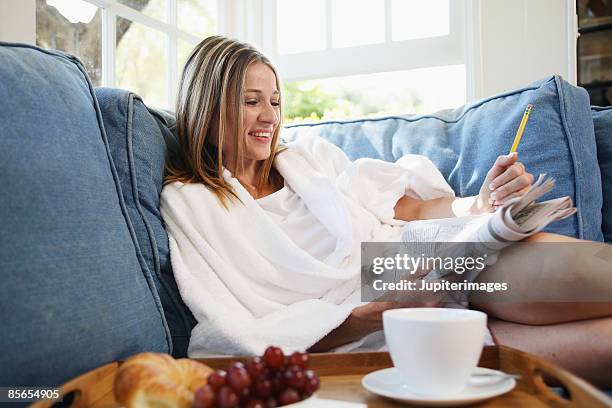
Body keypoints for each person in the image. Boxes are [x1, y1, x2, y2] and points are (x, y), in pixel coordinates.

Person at [160, 36, 612, 387]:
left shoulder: (309, 160)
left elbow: (411, 208)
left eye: (275, 101)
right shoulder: (192, 200)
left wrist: (481, 204)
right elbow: (228, 335)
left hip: (415, 259)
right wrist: (377, 313)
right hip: (378, 326)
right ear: (209, 103)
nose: (269, 117)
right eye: (251, 100)